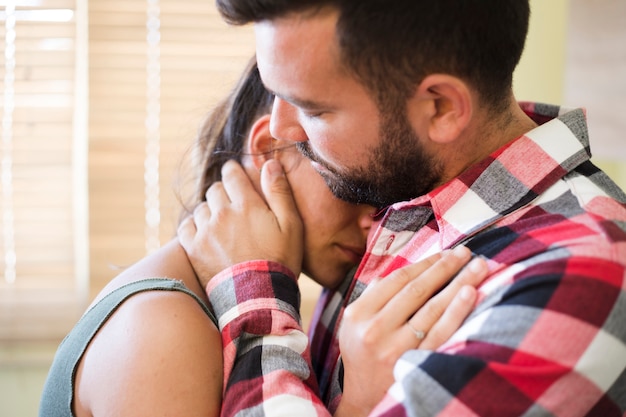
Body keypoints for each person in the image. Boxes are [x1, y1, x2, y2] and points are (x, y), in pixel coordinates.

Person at [178, 1, 626, 416]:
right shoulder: (399, 190)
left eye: (312, 110)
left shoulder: (581, 279)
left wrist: (252, 295)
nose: (279, 127)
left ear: (441, 107)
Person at [39, 57, 486, 417]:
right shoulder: (164, 329)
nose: (379, 221)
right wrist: (361, 406)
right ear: (273, 149)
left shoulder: (240, 308)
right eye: (356, 188)